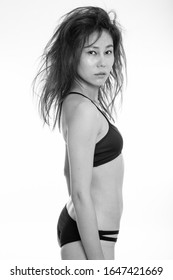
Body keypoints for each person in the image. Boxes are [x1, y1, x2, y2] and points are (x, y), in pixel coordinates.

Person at [33, 6, 126, 260]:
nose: (103, 62)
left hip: (85, 230)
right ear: (73, 55)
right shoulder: (84, 110)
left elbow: (68, 171)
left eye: (108, 52)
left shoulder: (75, 101)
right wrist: (97, 267)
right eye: (92, 52)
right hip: (91, 236)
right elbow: (80, 193)